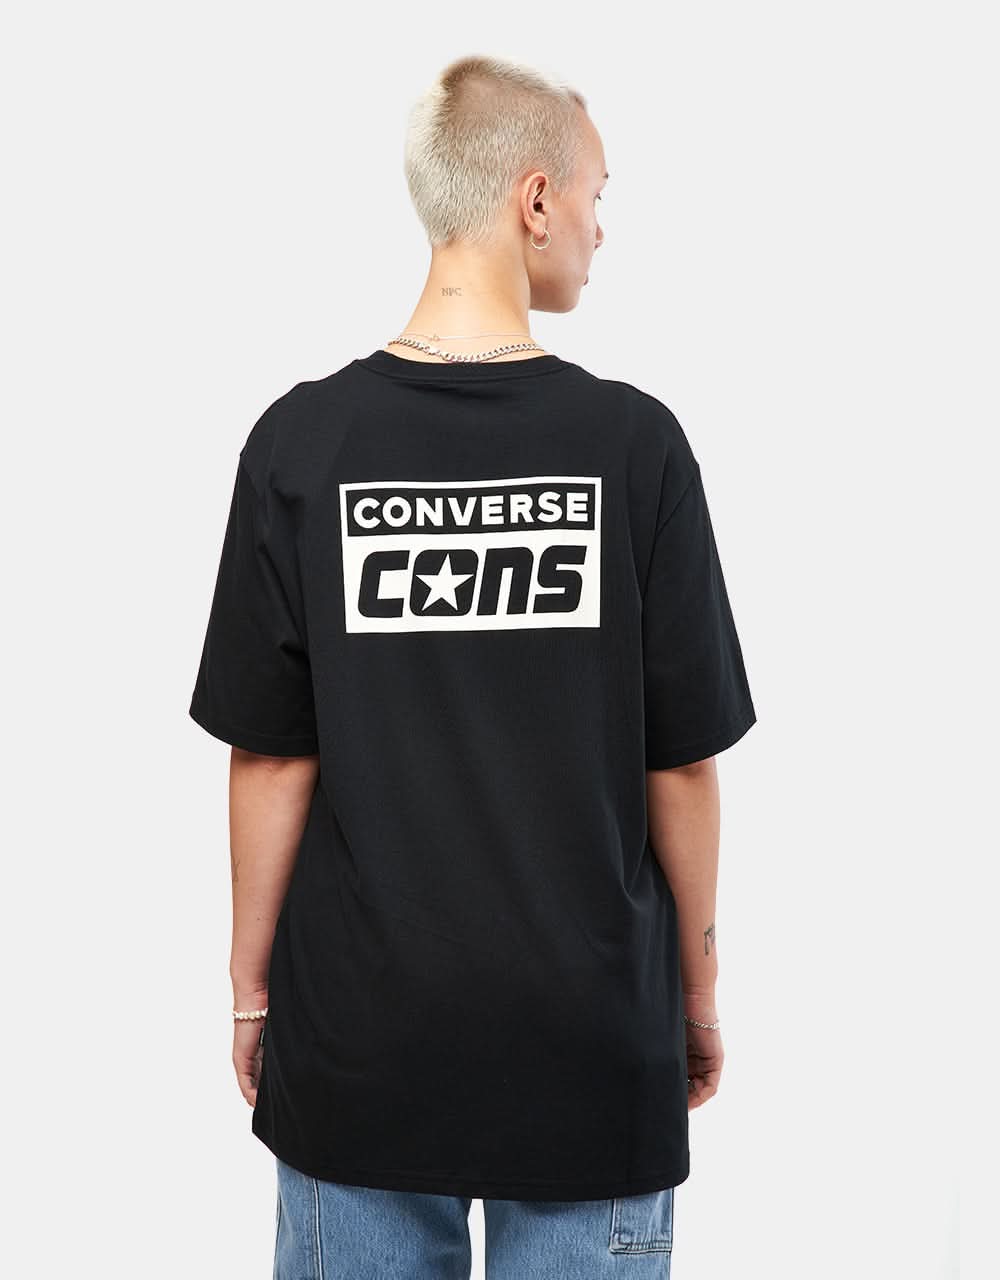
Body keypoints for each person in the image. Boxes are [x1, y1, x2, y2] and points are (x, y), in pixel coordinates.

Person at [189, 53, 757, 1280]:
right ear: (534, 199)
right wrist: (697, 995)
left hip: (358, 1042)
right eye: (599, 194)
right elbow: (679, 764)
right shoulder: (634, 446)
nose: (603, 229)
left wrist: (251, 993)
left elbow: (271, 754)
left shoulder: (302, 442)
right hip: (593, 1042)